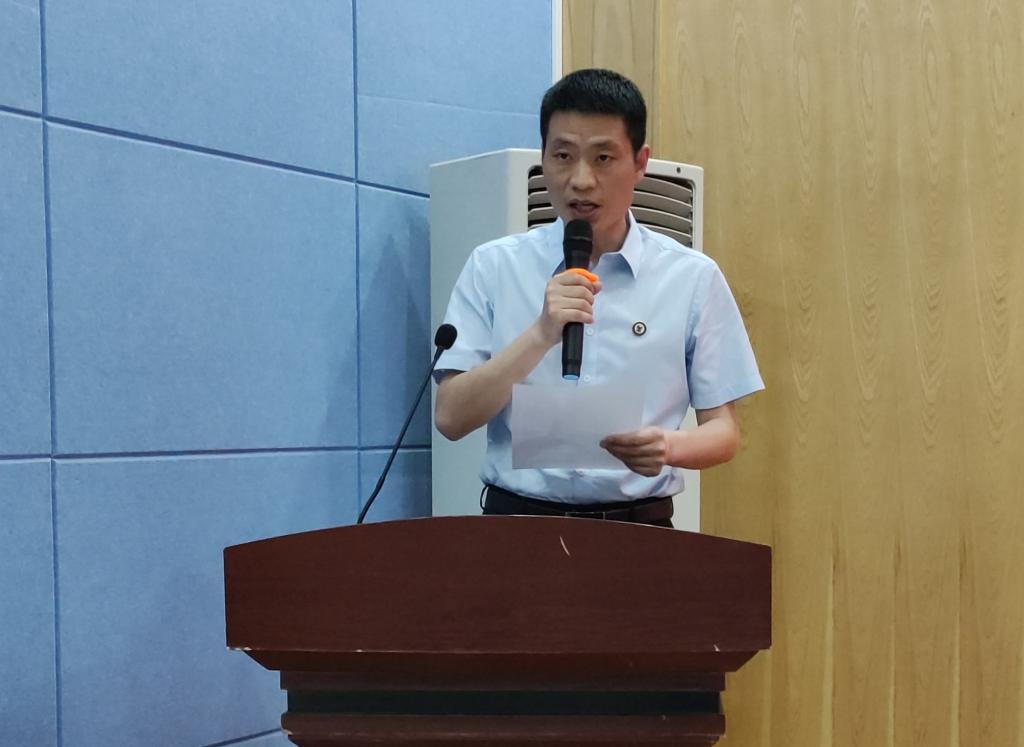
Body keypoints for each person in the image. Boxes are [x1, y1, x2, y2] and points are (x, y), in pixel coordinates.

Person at [433, 68, 763, 528]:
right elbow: (451, 418)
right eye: (562, 156)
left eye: (603, 158)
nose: (581, 180)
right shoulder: (493, 266)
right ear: (543, 157)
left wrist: (669, 447)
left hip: (639, 530)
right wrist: (540, 334)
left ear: (640, 162)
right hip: (517, 525)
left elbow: (724, 432)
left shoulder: (691, 277)